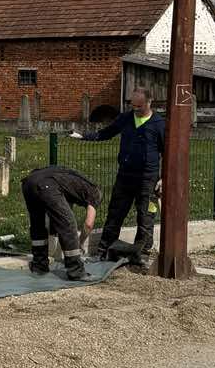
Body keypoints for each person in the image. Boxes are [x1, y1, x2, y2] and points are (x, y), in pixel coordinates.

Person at [72, 86, 166, 268]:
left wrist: (163, 178)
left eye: (139, 106)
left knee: (145, 217)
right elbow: (106, 133)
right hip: (125, 176)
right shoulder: (126, 118)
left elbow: (167, 151)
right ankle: (103, 251)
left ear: (149, 102)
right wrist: (83, 136)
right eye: (133, 105)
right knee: (115, 214)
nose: (135, 109)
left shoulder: (158, 124)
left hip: (148, 178)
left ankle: (142, 254)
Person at [20, 165, 100, 281]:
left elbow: (60, 212)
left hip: (29, 182)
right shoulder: (95, 193)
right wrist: (80, 243)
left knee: (38, 225)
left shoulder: (73, 183)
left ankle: (39, 266)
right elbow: (88, 224)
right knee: (69, 225)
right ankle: (76, 271)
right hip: (46, 184)